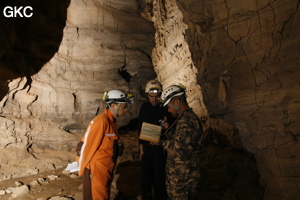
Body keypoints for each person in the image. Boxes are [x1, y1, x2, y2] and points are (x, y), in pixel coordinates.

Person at [77, 89, 133, 200]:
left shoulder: (111, 121)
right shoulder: (101, 121)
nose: (126, 110)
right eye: (124, 106)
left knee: (104, 196)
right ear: (114, 106)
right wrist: (83, 169)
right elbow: (85, 145)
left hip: (106, 168)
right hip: (97, 170)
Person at [160, 84, 203, 200]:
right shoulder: (183, 119)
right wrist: (167, 133)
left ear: (177, 102)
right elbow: (180, 141)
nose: (168, 110)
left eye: (169, 106)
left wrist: (162, 142)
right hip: (180, 179)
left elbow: (180, 150)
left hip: (184, 181)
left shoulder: (187, 121)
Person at [138, 80, 173, 200]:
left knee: (160, 179)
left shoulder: (165, 108)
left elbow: (171, 129)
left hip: (160, 148)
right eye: (151, 96)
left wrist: (161, 130)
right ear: (147, 95)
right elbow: (140, 127)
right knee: (145, 179)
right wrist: (141, 146)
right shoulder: (144, 107)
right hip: (147, 147)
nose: (154, 99)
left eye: (157, 96)